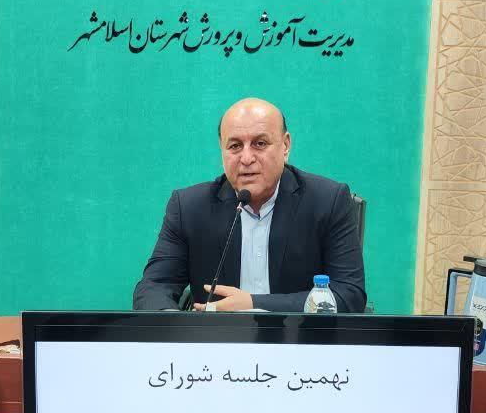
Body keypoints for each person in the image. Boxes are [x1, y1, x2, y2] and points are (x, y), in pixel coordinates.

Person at [132, 98, 366, 312]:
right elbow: (153, 287)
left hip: (299, 339)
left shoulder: (328, 201)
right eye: (235, 146)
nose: (246, 158)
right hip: (217, 341)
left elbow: (349, 295)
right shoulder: (189, 208)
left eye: (260, 143)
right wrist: (174, 322)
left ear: (285, 146)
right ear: (222, 150)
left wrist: (253, 304)